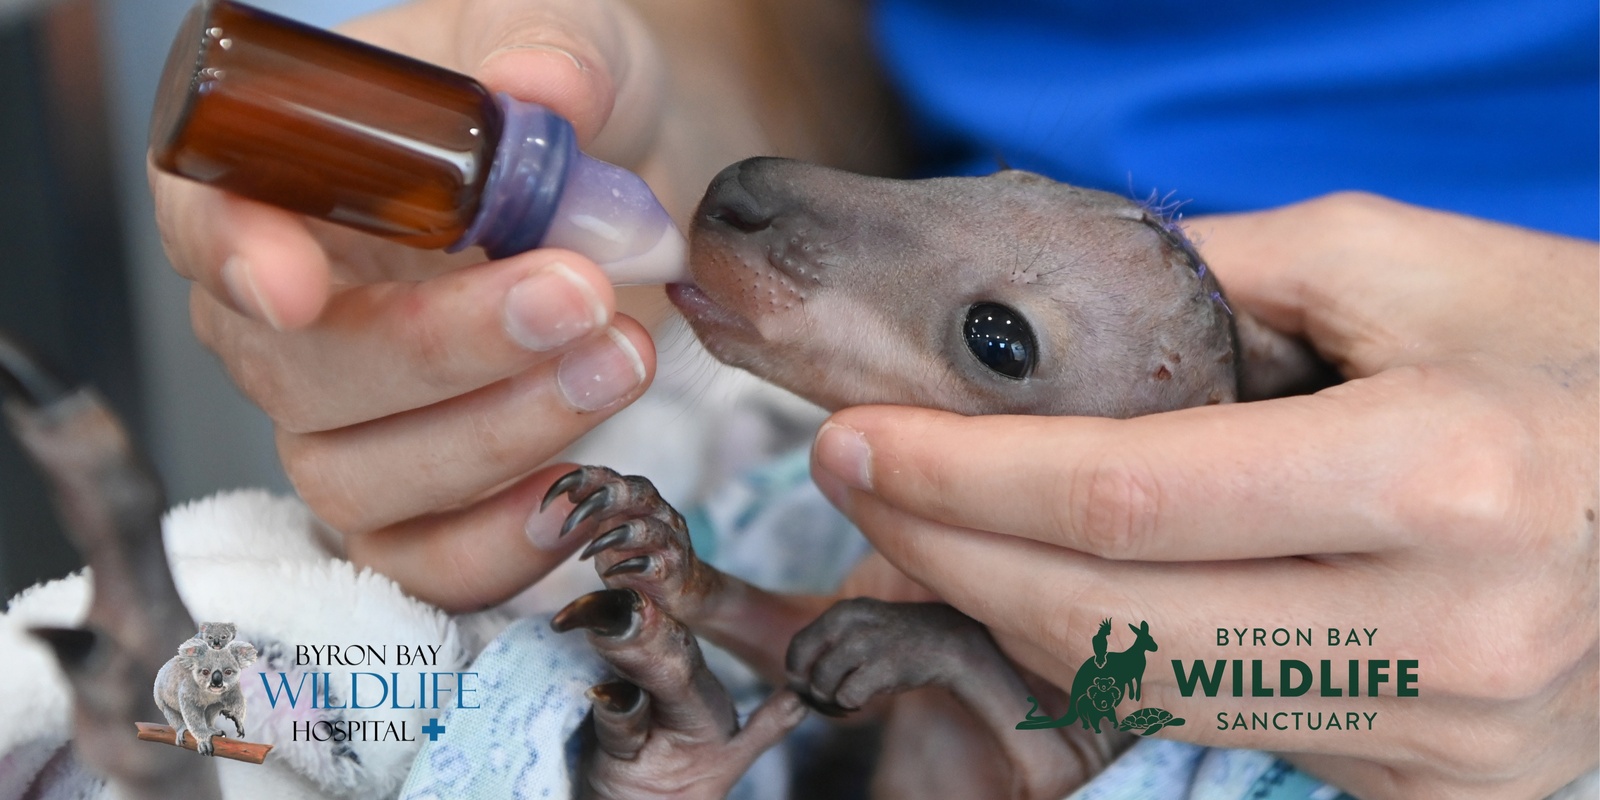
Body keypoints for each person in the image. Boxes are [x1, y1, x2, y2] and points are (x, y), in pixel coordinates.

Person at [149, 0, 1598, 796]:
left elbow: (1048, 722)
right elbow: (830, 654)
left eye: (995, 342)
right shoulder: (912, 488)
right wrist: (640, 90)